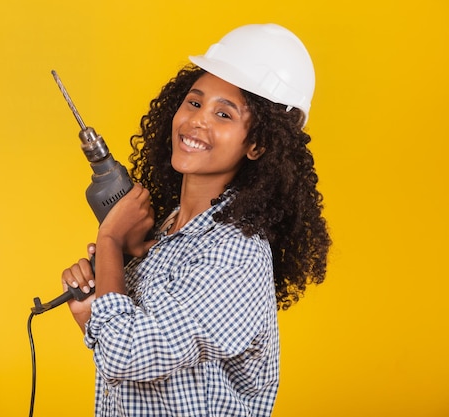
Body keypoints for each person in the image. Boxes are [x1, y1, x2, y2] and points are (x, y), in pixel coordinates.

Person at [60, 23, 331, 417]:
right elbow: (141, 372)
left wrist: (110, 242)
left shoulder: (236, 254)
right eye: (194, 102)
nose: (197, 121)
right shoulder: (170, 232)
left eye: (224, 114)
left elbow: (125, 355)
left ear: (257, 144)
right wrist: (93, 310)